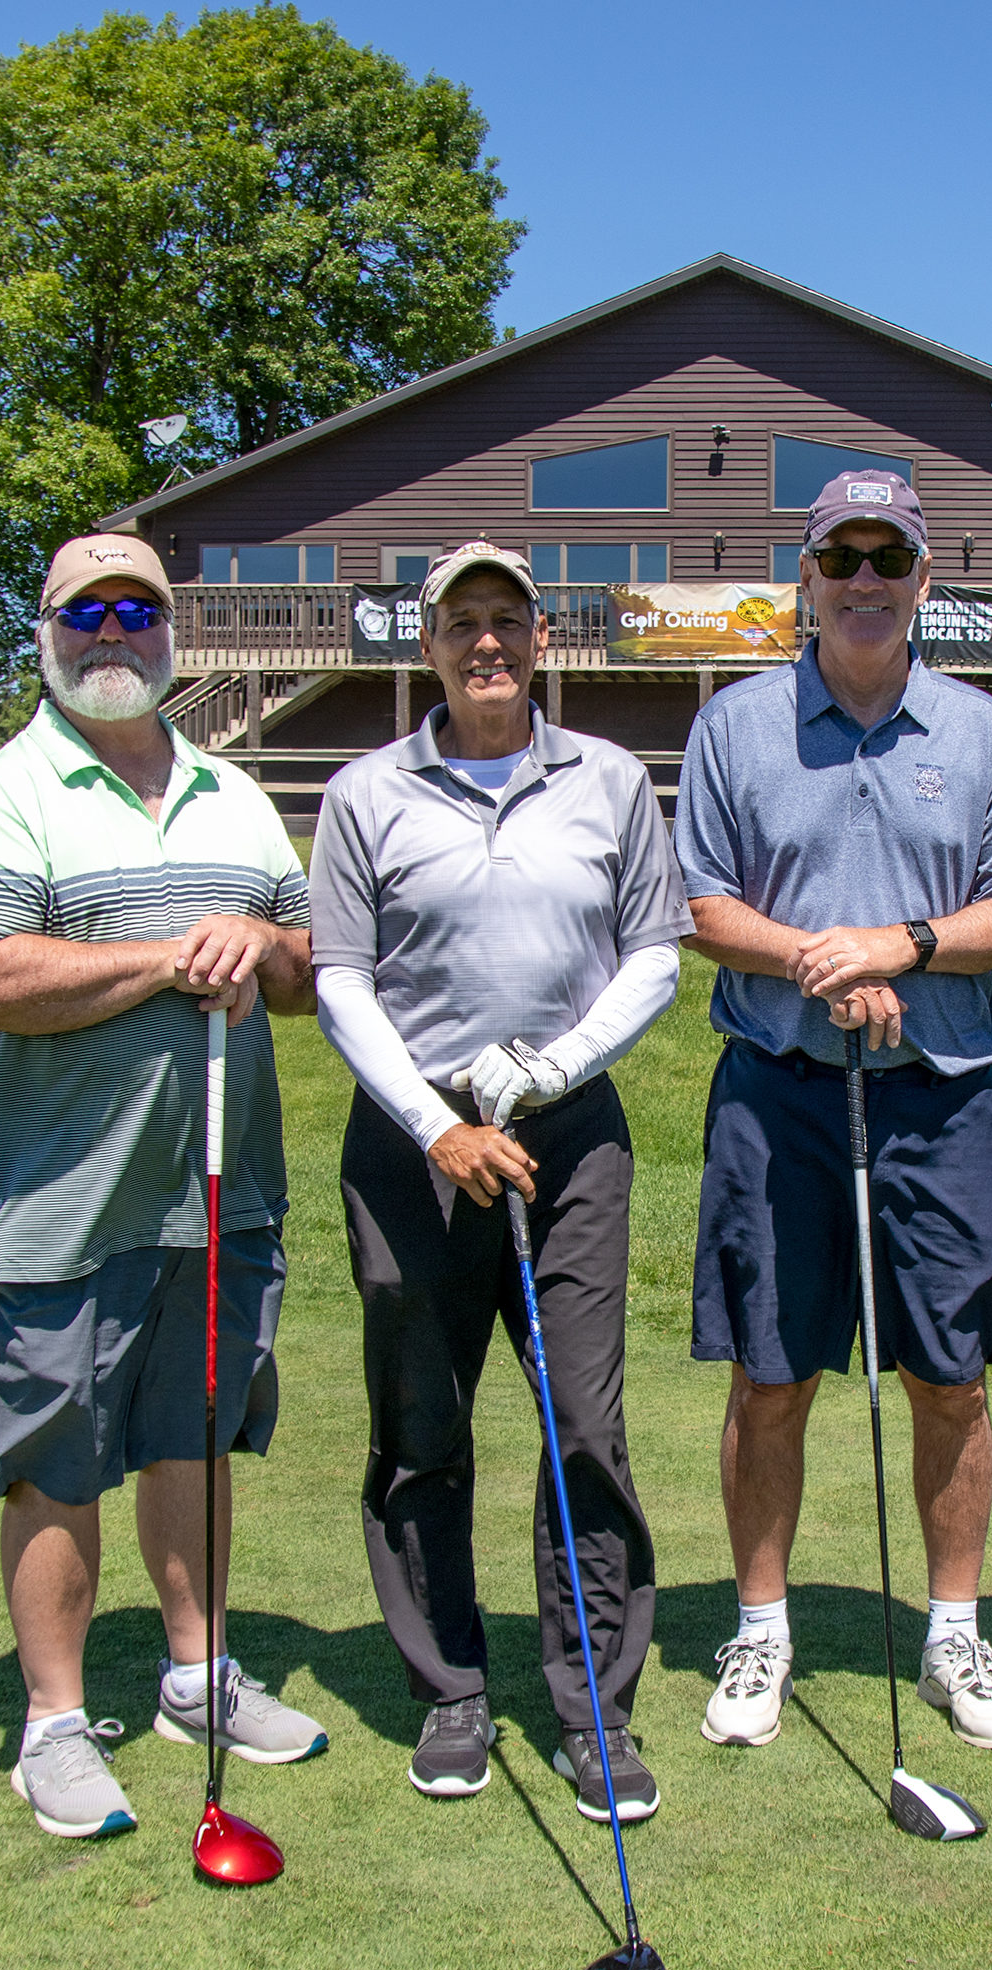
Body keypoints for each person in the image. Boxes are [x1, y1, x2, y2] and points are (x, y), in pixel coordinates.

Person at [0, 533, 327, 1840]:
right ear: (45, 630)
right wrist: (163, 959)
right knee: (57, 1456)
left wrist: (261, 941)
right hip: (62, 1200)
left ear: (169, 631)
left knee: (194, 1433)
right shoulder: (5, 793)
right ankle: (53, 1723)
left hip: (219, 1191)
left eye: (135, 609)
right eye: (82, 609)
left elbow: (304, 972)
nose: (110, 631)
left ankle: (199, 1676)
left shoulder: (232, 792)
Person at [308, 540, 691, 1824]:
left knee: (583, 1422)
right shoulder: (366, 791)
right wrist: (439, 1125)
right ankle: (451, 1688)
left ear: (540, 639)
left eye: (507, 619)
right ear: (426, 643)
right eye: (460, 620)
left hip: (567, 1134)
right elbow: (339, 980)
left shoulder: (609, 778)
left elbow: (653, 954)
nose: (486, 641)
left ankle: (594, 1708)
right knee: (422, 1430)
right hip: (412, 1142)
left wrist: (552, 1066)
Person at [674, 471, 992, 1753]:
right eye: (842, 558)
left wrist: (899, 944)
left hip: (941, 1098)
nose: (865, 580)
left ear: (924, 581)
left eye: (890, 558)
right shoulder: (733, 726)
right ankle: (760, 1628)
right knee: (771, 1371)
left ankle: (953, 1634)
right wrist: (816, 960)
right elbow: (700, 902)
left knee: (949, 1374)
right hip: (777, 1095)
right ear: (809, 578)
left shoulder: (978, 732)